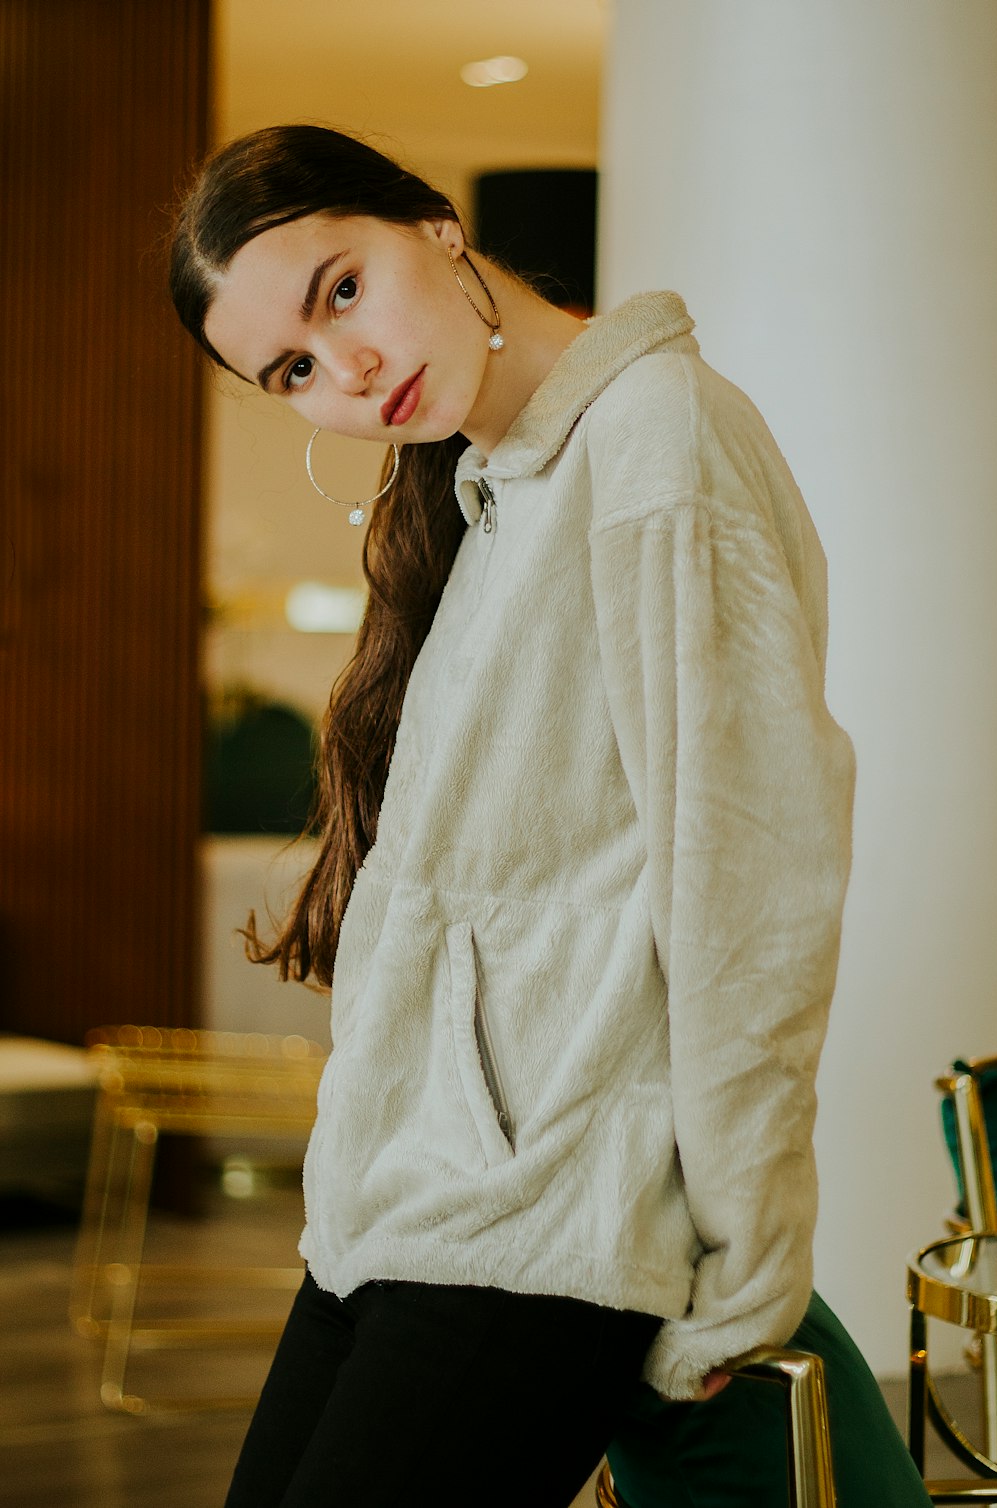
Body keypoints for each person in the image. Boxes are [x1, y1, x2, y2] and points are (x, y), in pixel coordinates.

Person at [170, 124, 857, 1508]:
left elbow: (747, 877)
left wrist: (746, 1254)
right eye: (292, 370)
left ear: (429, 221)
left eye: (339, 289)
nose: (347, 372)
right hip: (394, 1206)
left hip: (548, 1220)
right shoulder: (486, 490)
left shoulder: (658, 440)